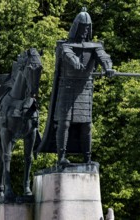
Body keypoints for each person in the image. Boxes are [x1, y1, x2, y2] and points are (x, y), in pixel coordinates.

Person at [38, 7, 114, 166]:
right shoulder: (66, 46)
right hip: (67, 88)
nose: (84, 30)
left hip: (84, 89)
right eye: (82, 27)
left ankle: (87, 158)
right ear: (76, 27)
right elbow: (68, 54)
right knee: (64, 123)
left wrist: (108, 68)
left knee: (86, 126)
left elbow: (103, 56)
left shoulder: (95, 46)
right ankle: (61, 157)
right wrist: (75, 62)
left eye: (87, 27)